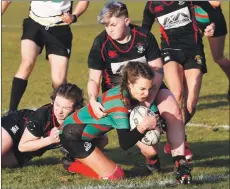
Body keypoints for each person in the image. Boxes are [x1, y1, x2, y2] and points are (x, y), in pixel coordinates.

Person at [87, 1, 190, 171]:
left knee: (174, 110)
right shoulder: (101, 43)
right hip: (121, 97)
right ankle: (152, 159)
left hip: (150, 88)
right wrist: (92, 101)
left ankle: (180, 163)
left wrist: (147, 102)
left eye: (113, 24)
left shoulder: (143, 37)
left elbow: (157, 71)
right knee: (150, 149)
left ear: (126, 21)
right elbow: (93, 79)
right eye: (106, 25)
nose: (109, 29)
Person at [60, 61, 192, 184]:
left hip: (92, 136)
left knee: (148, 150)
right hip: (72, 136)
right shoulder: (119, 103)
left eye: (150, 88)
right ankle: (71, 163)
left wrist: (159, 123)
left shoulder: (135, 95)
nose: (147, 94)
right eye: (142, 89)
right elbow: (124, 143)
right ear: (129, 84)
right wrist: (143, 126)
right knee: (115, 176)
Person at [142, 1, 216, 159]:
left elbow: (209, 7)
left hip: (194, 50)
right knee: (177, 93)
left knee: (191, 103)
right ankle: (180, 141)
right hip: (170, 51)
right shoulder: (152, 5)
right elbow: (144, 32)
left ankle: (172, 133)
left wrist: (210, 25)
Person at [1, 1, 89, 112]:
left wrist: (74, 16)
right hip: (34, 24)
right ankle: (11, 112)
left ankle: (61, 115)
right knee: (27, 63)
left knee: (59, 80)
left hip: (59, 27)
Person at [1, 83, 86, 168]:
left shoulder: (78, 120)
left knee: (6, 164)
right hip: (16, 124)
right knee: (5, 144)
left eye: (66, 108)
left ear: (76, 108)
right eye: (57, 105)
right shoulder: (42, 115)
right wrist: (50, 139)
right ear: (53, 101)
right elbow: (22, 146)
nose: (59, 111)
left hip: (28, 150)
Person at [194, 1, 230, 100]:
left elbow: (216, 2)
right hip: (194, 21)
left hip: (214, 21)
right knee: (188, 54)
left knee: (218, 58)